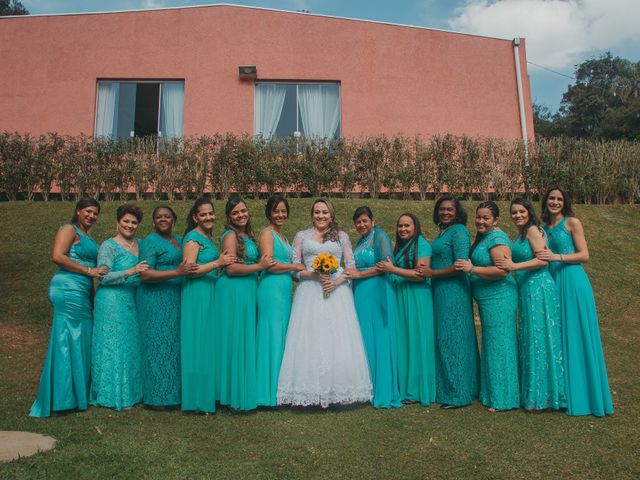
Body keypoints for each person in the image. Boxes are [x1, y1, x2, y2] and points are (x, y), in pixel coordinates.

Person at [277, 199, 372, 407]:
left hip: (337, 292)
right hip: (309, 292)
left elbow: (351, 266)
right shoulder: (301, 236)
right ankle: (308, 389)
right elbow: (294, 269)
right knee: (309, 337)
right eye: (317, 212)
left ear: (331, 215)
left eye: (325, 213)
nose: (321, 216)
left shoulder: (342, 236)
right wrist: (313, 274)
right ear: (312, 215)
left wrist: (336, 282)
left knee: (337, 337)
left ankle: (339, 387)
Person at [536, 184, 613, 417]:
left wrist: (556, 256)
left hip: (573, 281)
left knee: (577, 335)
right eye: (551, 198)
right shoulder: (541, 228)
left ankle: (584, 395)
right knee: (558, 337)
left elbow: (584, 255)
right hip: (552, 283)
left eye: (559, 199)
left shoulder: (572, 223)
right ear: (546, 201)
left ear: (565, 202)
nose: (555, 202)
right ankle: (561, 393)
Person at [30, 198, 107, 418]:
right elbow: (57, 256)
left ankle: (76, 395)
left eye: (95, 213)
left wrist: (94, 296)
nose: (92, 216)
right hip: (66, 288)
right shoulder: (68, 229)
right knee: (66, 340)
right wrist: (88, 271)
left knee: (80, 340)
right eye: (88, 211)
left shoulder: (88, 236)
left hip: (82, 291)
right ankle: (62, 399)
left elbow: (92, 272)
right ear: (78, 211)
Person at [495, 197, 566, 411]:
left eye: (521, 212)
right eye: (514, 212)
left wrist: (514, 266)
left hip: (539, 288)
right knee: (531, 337)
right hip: (527, 289)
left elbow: (543, 260)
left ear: (529, 212)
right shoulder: (521, 234)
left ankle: (546, 396)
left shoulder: (534, 231)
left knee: (540, 337)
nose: (517, 215)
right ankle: (535, 392)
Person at [455, 201, 519, 412]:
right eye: (478, 217)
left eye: (486, 218)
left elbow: (502, 271)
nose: (480, 221)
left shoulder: (497, 239)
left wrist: (472, 268)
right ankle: (491, 393)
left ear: (496, 220)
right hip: (487, 299)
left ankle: (504, 399)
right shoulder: (486, 237)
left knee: (500, 346)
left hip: (499, 298)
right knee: (492, 345)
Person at [216, 197, 273, 411]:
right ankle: (232, 394)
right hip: (234, 290)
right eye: (236, 213)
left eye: (243, 211)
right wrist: (259, 266)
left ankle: (236, 388)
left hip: (247, 290)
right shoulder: (230, 235)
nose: (241, 215)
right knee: (235, 338)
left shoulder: (246, 235)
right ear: (229, 217)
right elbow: (230, 269)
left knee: (242, 337)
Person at [137, 206, 197, 409]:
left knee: (173, 344)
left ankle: (174, 393)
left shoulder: (180, 241)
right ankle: (157, 397)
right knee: (157, 344)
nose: (163, 220)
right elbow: (145, 274)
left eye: (167, 217)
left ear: (174, 220)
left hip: (175, 298)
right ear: (153, 221)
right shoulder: (149, 242)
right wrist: (177, 272)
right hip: (155, 299)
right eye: (159, 217)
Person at [91, 204, 149, 410]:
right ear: (118, 222)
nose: (130, 225)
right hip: (111, 300)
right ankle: (111, 394)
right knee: (114, 344)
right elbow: (103, 276)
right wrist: (131, 270)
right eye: (126, 221)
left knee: (131, 344)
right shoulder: (108, 246)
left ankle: (133, 392)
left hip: (132, 299)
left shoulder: (141, 245)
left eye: (134, 222)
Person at [181, 197, 235, 414]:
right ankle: (196, 399)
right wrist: (217, 263)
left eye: (211, 213)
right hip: (197, 293)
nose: (209, 217)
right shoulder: (193, 238)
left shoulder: (207, 237)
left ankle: (207, 394)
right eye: (203, 214)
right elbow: (189, 270)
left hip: (209, 291)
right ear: (196, 217)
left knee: (207, 343)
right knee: (198, 342)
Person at [344, 206, 401, 409]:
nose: (361, 225)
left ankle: (383, 389)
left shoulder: (380, 237)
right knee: (365, 336)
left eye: (365, 221)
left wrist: (359, 275)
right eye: (358, 222)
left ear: (372, 221)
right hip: (361, 293)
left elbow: (386, 264)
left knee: (380, 337)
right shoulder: (360, 241)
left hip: (378, 290)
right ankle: (367, 386)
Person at [377, 213, 435, 406]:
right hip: (401, 296)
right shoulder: (402, 247)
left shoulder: (422, 244)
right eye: (400, 226)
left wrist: (392, 270)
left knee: (417, 339)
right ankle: (405, 386)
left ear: (415, 226)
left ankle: (417, 389)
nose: (403, 229)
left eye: (407, 226)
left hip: (417, 297)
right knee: (404, 340)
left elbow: (421, 274)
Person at [429, 195, 480, 409]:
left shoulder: (459, 231)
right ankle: (453, 386)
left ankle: (459, 393)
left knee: (453, 338)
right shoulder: (443, 231)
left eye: (450, 209)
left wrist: (433, 273)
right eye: (442, 209)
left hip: (454, 290)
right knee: (445, 338)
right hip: (441, 290)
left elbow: (460, 264)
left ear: (457, 212)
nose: (445, 212)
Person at [256, 195, 304, 407]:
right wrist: (295, 267)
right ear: (269, 213)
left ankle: (280, 389)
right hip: (271, 290)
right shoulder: (267, 234)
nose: (280, 215)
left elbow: (289, 268)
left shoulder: (281, 236)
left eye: (284, 211)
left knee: (281, 336)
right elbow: (270, 265)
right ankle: (267, 393)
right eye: (276, 211)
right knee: (272, 336)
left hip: (283, 291)